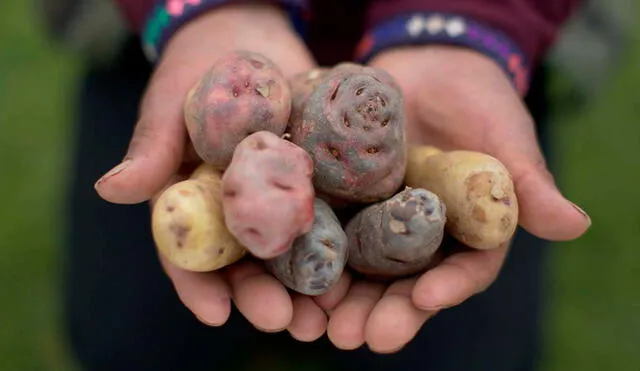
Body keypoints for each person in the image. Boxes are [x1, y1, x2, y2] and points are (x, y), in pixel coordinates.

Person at [56, 0, 591, 370]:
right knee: (123, 346)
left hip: (477, 36)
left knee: (473, 359)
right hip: (171, 35)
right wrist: (210, 11)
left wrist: (461, 27)